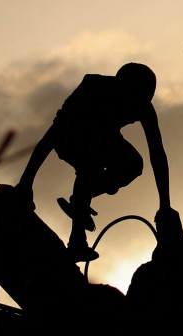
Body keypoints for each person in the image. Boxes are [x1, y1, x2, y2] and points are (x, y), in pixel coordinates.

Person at [15, 62, 172, 262]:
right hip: (69, 135)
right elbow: (52, 135)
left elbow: (157, 154)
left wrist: (165, 204)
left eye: (137, 105)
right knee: (90, 164)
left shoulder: (143, 107)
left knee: (132, 164)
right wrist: (26, 182)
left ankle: (80, 204)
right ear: (119, 89)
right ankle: (77, 239)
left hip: (105, 137)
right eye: (128, 103)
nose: (132, 110)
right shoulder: (92, 87)